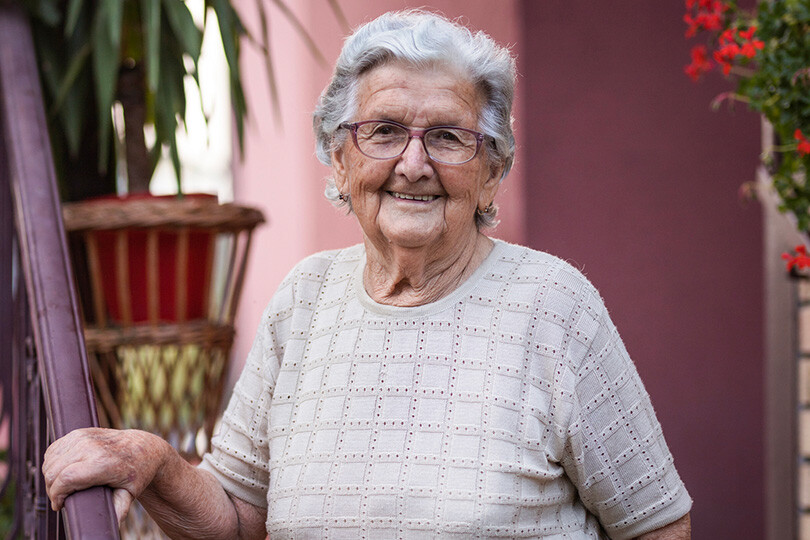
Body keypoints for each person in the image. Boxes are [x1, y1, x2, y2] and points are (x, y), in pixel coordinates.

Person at [44, 10, 692, 539]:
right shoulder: (305, 299)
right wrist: (152, 462)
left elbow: (656, 525)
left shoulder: (554, 307)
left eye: (447, 137)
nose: (413, 163)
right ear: (340, 160)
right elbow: (239, 513)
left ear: (492, 169)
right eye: (383, 131)